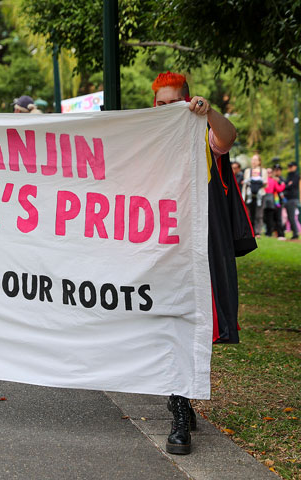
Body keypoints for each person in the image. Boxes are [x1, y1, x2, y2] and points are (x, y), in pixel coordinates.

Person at [151, 71, 256, 455]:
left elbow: (227, 137)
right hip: (160, 246)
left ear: (188, 102)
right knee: (169, 319)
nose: (166, 110)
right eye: (159, 104)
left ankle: (181, 402)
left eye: (174, 103)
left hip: (201, 246)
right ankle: (179, 405)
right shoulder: (148, 137)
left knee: (196, 320)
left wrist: (208, 114)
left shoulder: (202, 135)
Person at [242, 154, 268, 236]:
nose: (253, 162)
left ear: (259, 162)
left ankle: (257, 232)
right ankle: (250, 231)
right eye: (252, 160)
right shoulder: (247, 171)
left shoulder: (263, 171)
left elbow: (265, 183)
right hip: (249, 195)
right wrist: (243, 196)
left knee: (259, 214)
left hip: (260, 195)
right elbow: (245, 185)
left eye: (255, 160)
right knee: (249, 214)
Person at [263, 163, 285, 238]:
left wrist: (282, 184)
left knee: (274, 217)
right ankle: (270, 232)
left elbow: (279, 189)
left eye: (270, 172)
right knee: (267, 217)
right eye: (267, 172)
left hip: (274, 201)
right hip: (267, 200)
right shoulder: (266, 180)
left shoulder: (274, 180)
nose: (269, 173)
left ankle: (274, 233)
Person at [285, 161, 299, 240]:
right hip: (287, 199)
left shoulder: (296, 176)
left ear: (295, 167)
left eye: (291, 166)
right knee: (290, 217)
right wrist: (288, 184)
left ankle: (295, 233)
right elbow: (286, 185)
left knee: (291, 217)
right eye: (289, 166)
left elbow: (292, 185)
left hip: (293, 199)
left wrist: (288, 185)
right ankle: (295, 233)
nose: (290, 168)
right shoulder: (288, 175)